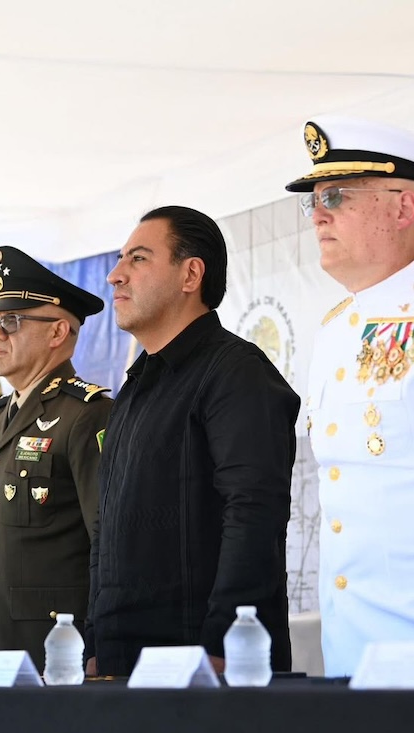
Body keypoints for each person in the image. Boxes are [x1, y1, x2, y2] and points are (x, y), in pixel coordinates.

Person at [281, 117, 414, 676]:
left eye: (336, 197)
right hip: (352, 638)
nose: (319, 215)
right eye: (313, 202)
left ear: (402, 209)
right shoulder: (336, 328)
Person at [86, 205, 299, 677]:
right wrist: (95, 641)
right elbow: (106, 528)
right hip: (122, 663)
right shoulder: (135, 387)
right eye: (120, 260)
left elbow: (254, 513)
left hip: (205, 665)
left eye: (138, 259)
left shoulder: (236, 372)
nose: (116, 276)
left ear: (191, 274)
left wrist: (225, 639)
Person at [0, 246, 112, 675]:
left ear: (57, 333)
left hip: (54, 654)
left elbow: (106, 539)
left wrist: (100, 643)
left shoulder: (86, 414)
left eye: (11, 322)